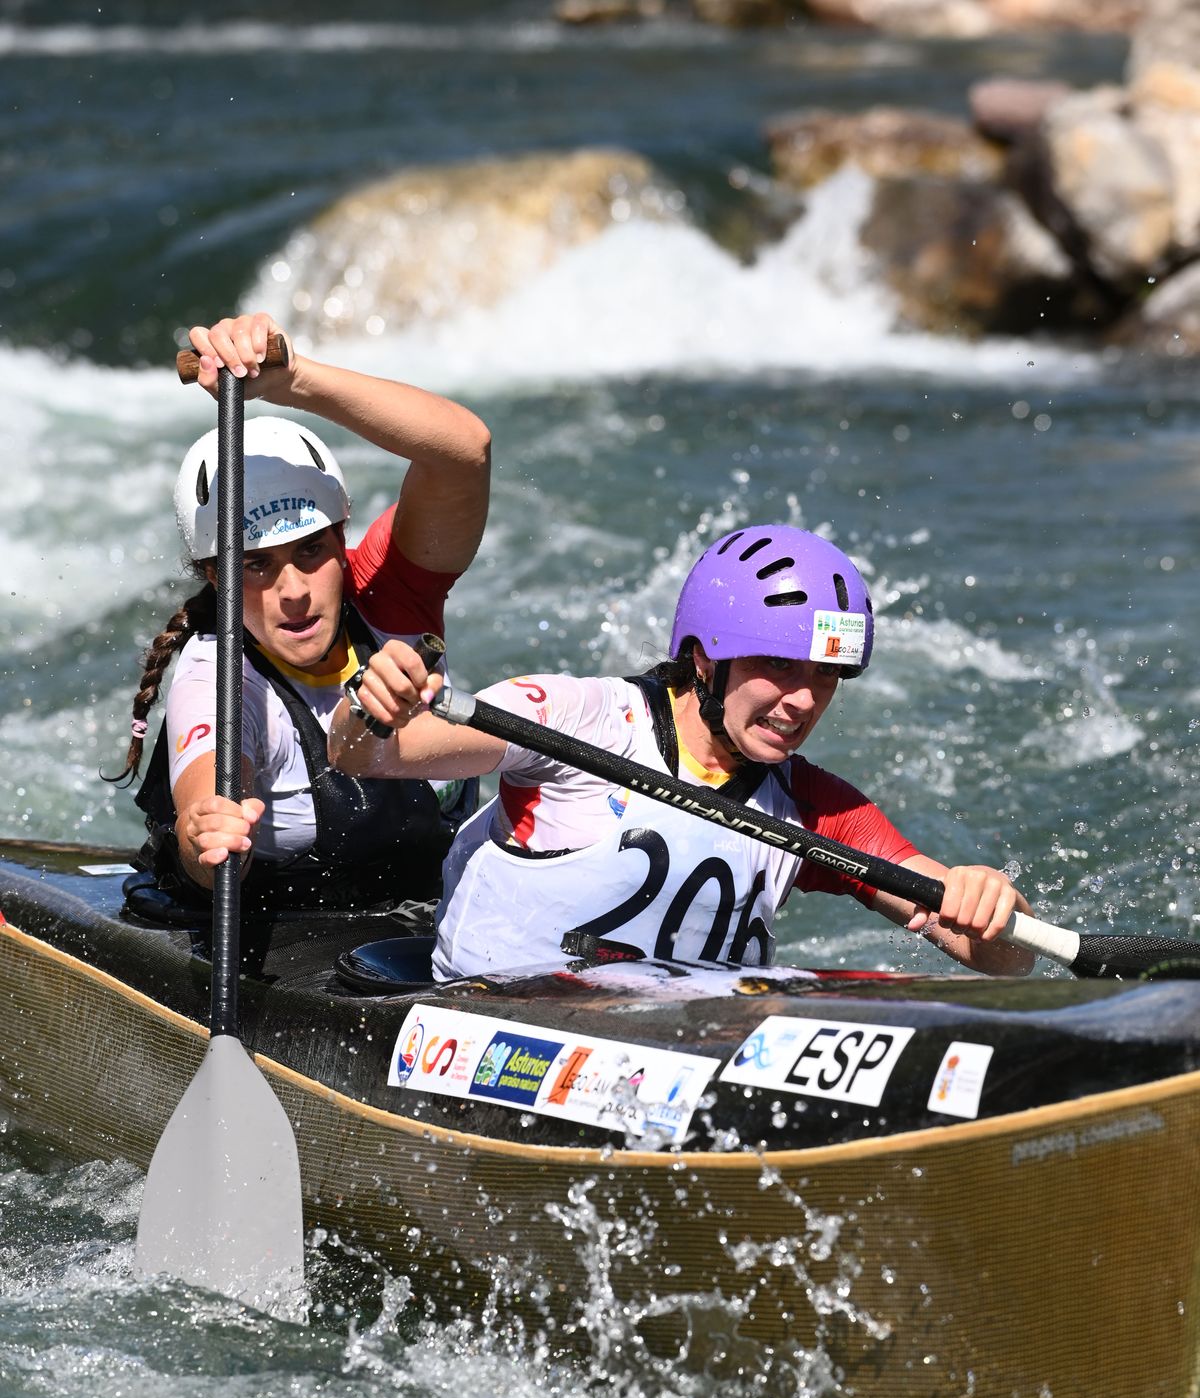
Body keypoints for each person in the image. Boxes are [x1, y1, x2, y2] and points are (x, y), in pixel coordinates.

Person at [326, 522, 1035, 978]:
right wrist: (372, 703)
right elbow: (368, 755)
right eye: (780, 667)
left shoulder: (816, 811)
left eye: (826, 677)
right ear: (704, 660)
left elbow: (1000, 960)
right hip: (489, 1030)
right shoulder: (582, 720)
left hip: (669, 1047)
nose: (803, 701)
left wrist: (989, 904)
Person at [109, 309, 490, 910]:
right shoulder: (218, 679)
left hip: (432, 917)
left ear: (343, 541)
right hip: (291, 937)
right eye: (255, 565)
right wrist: (206, 835)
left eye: (311, 551)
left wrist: (291, 379)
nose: (293, 590)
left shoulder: (392, 597)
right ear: (216, 576)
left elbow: (463, 452)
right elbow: (204, 802)